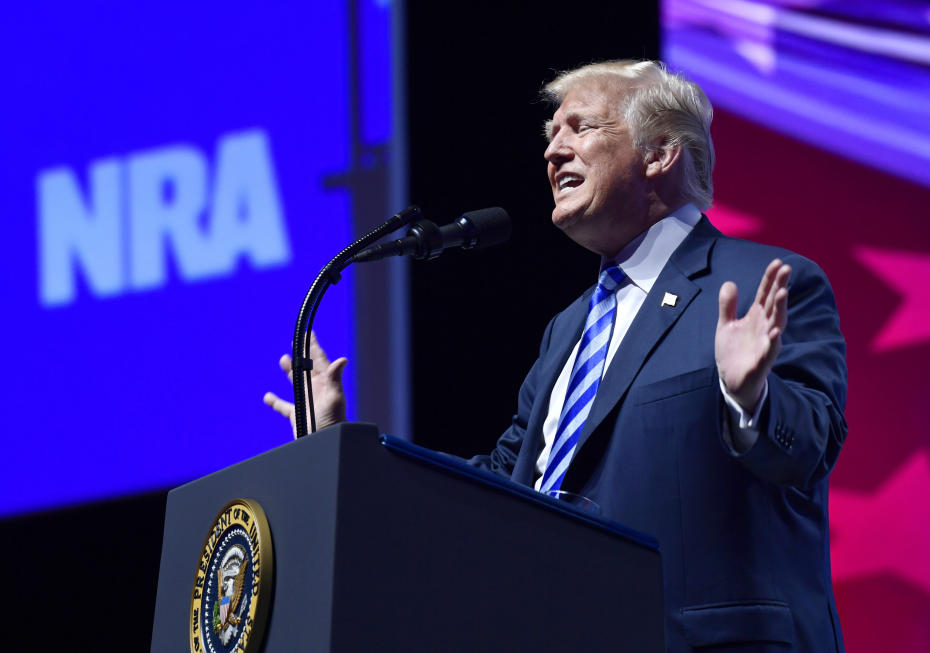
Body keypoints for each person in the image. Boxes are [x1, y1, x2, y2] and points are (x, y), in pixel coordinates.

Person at [265, 60, 847, 652]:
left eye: (580, 127)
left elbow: (810, 449)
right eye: (550, 137)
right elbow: (496, 486)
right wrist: (343, 447)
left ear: (660, 153)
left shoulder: (761, 284)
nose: (554, 152)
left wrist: (750, 400)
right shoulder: (568, 329)